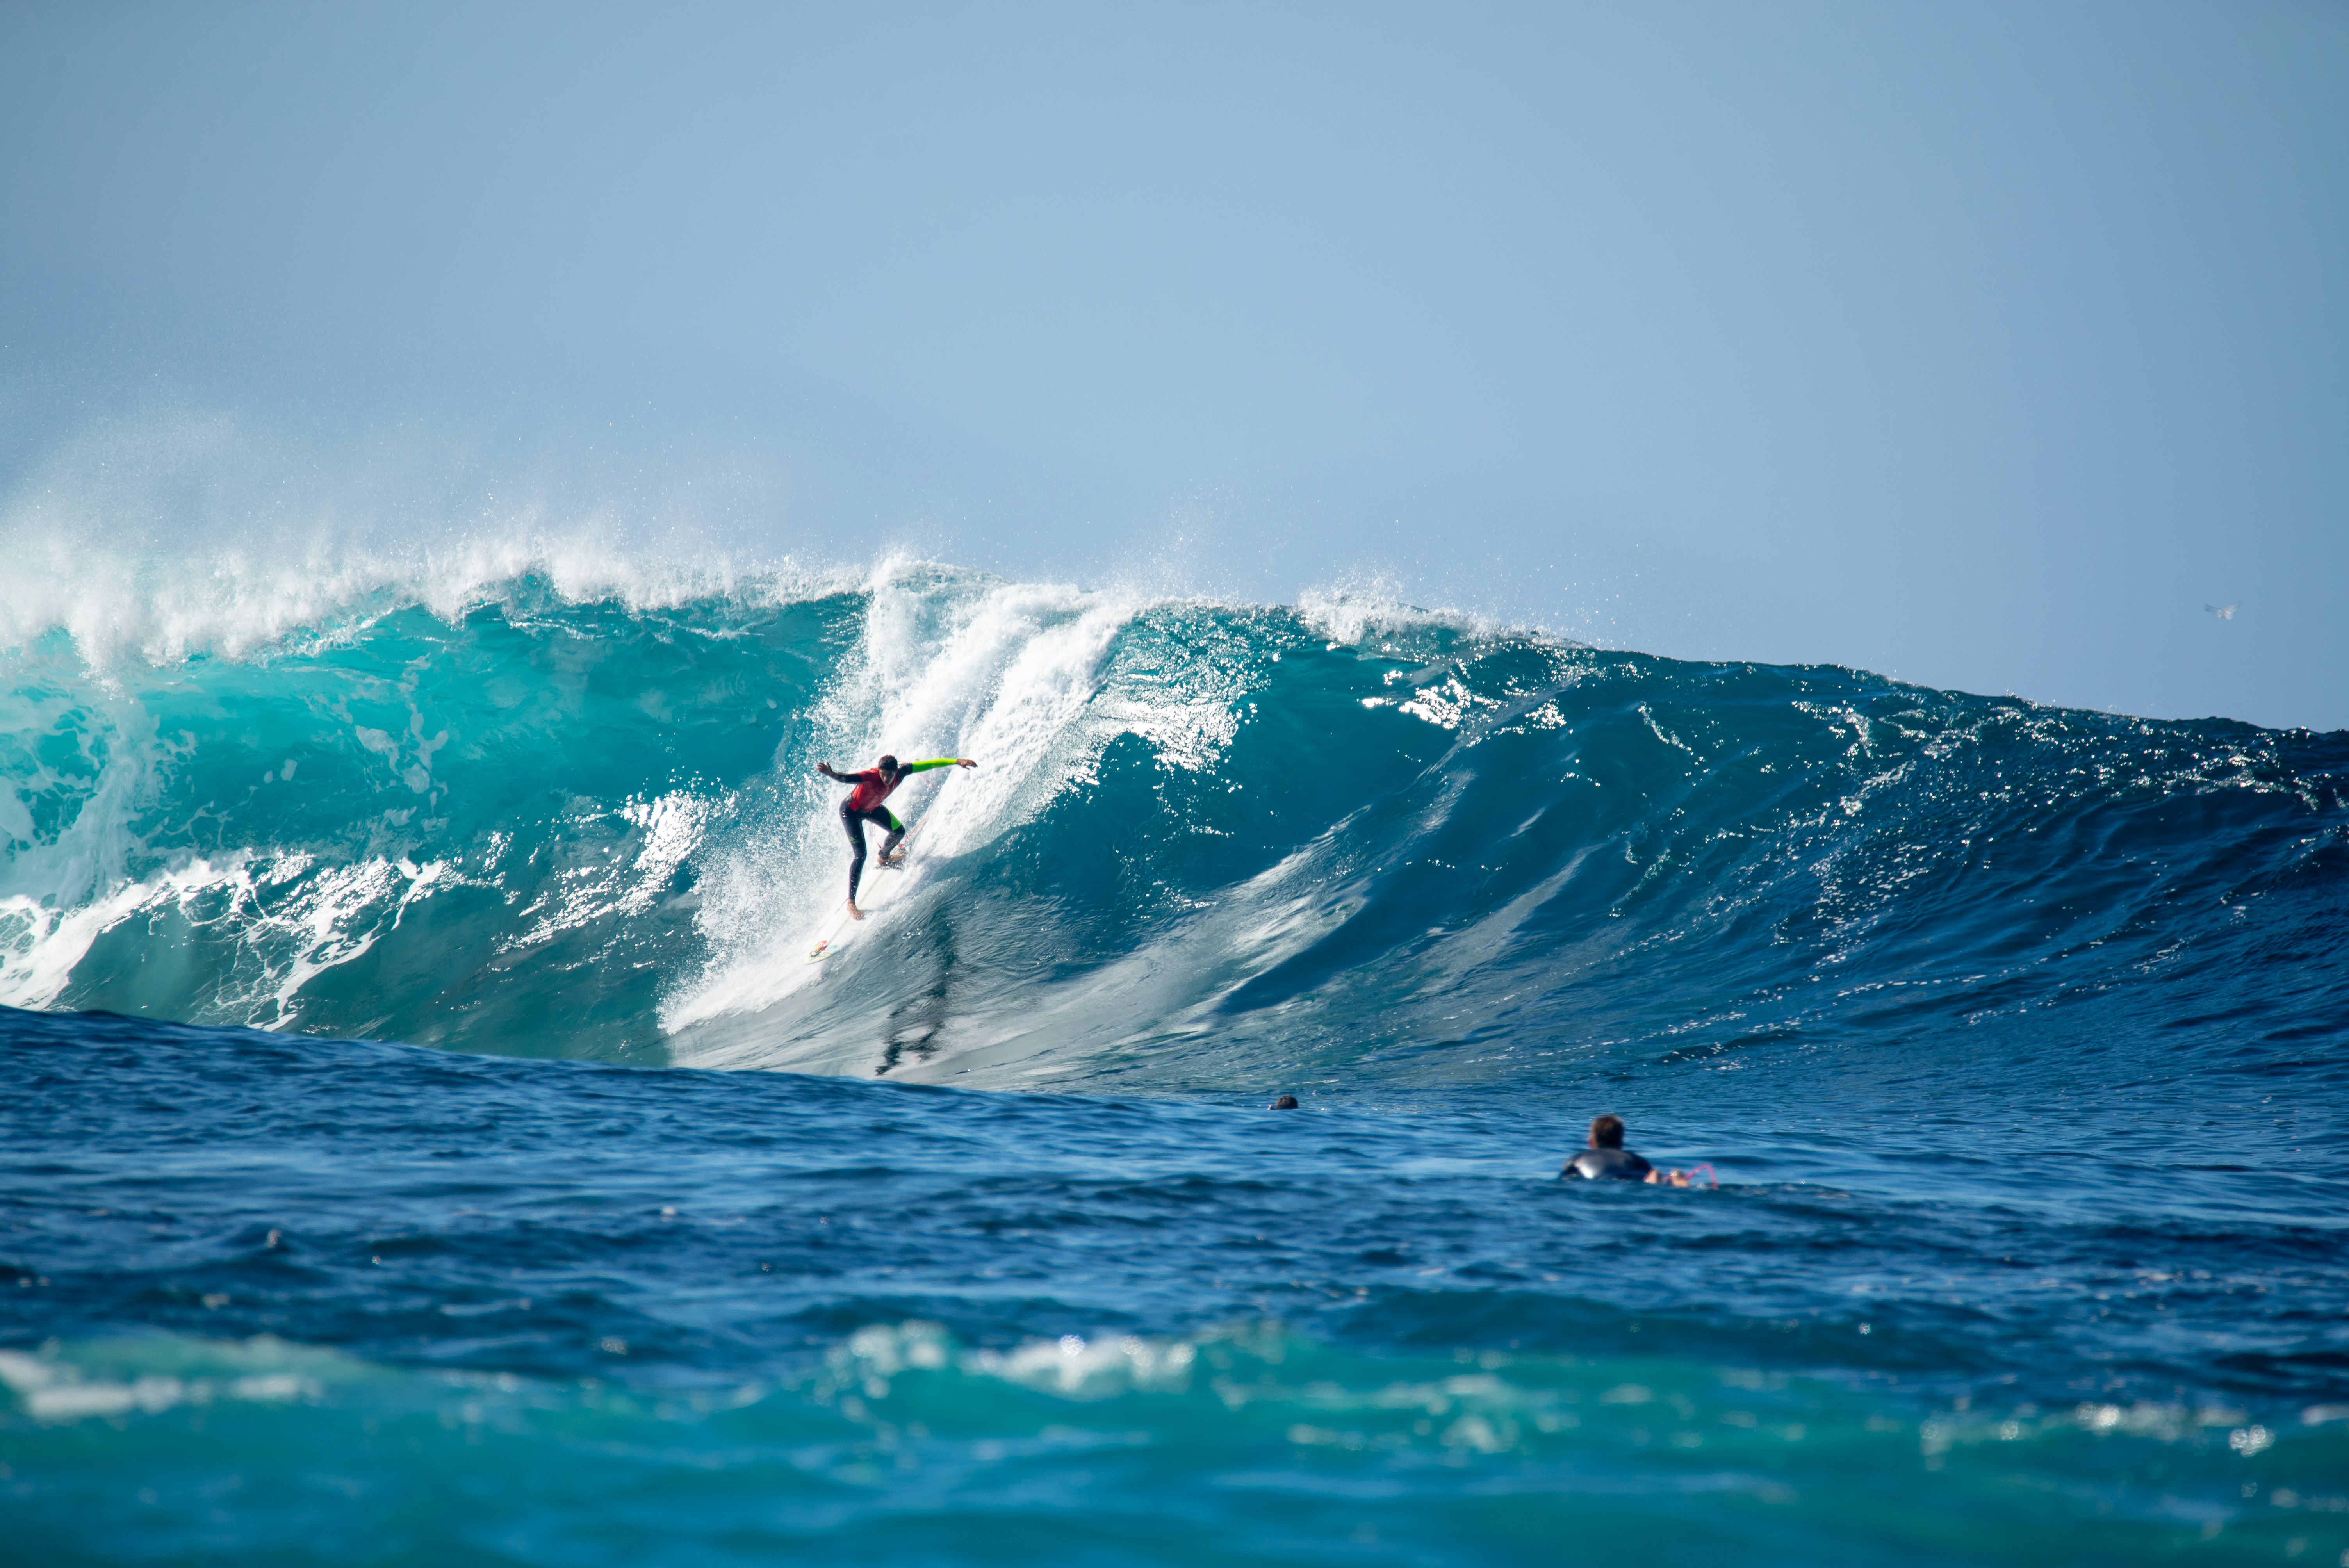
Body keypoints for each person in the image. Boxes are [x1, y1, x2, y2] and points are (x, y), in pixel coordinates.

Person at [817, 753, 976, 918]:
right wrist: (831, 774)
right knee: (861, 855)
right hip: (851, 812)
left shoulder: (902, 773)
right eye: (883, 774)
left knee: (899, 832)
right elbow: (846, 779)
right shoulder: (870, 777)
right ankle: (851, 902)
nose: (886, 778)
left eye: (890, 774)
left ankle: (883, 857)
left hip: (872, 809)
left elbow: (929, 764)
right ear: (879, 770)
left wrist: (957, 761)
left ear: (896, 771)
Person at [1561, 1114, 1652, 1181]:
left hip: (1597, 1182)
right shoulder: (1639, 1162)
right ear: (1622, 1142)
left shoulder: (1577, 1160)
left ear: (1591, 1142)